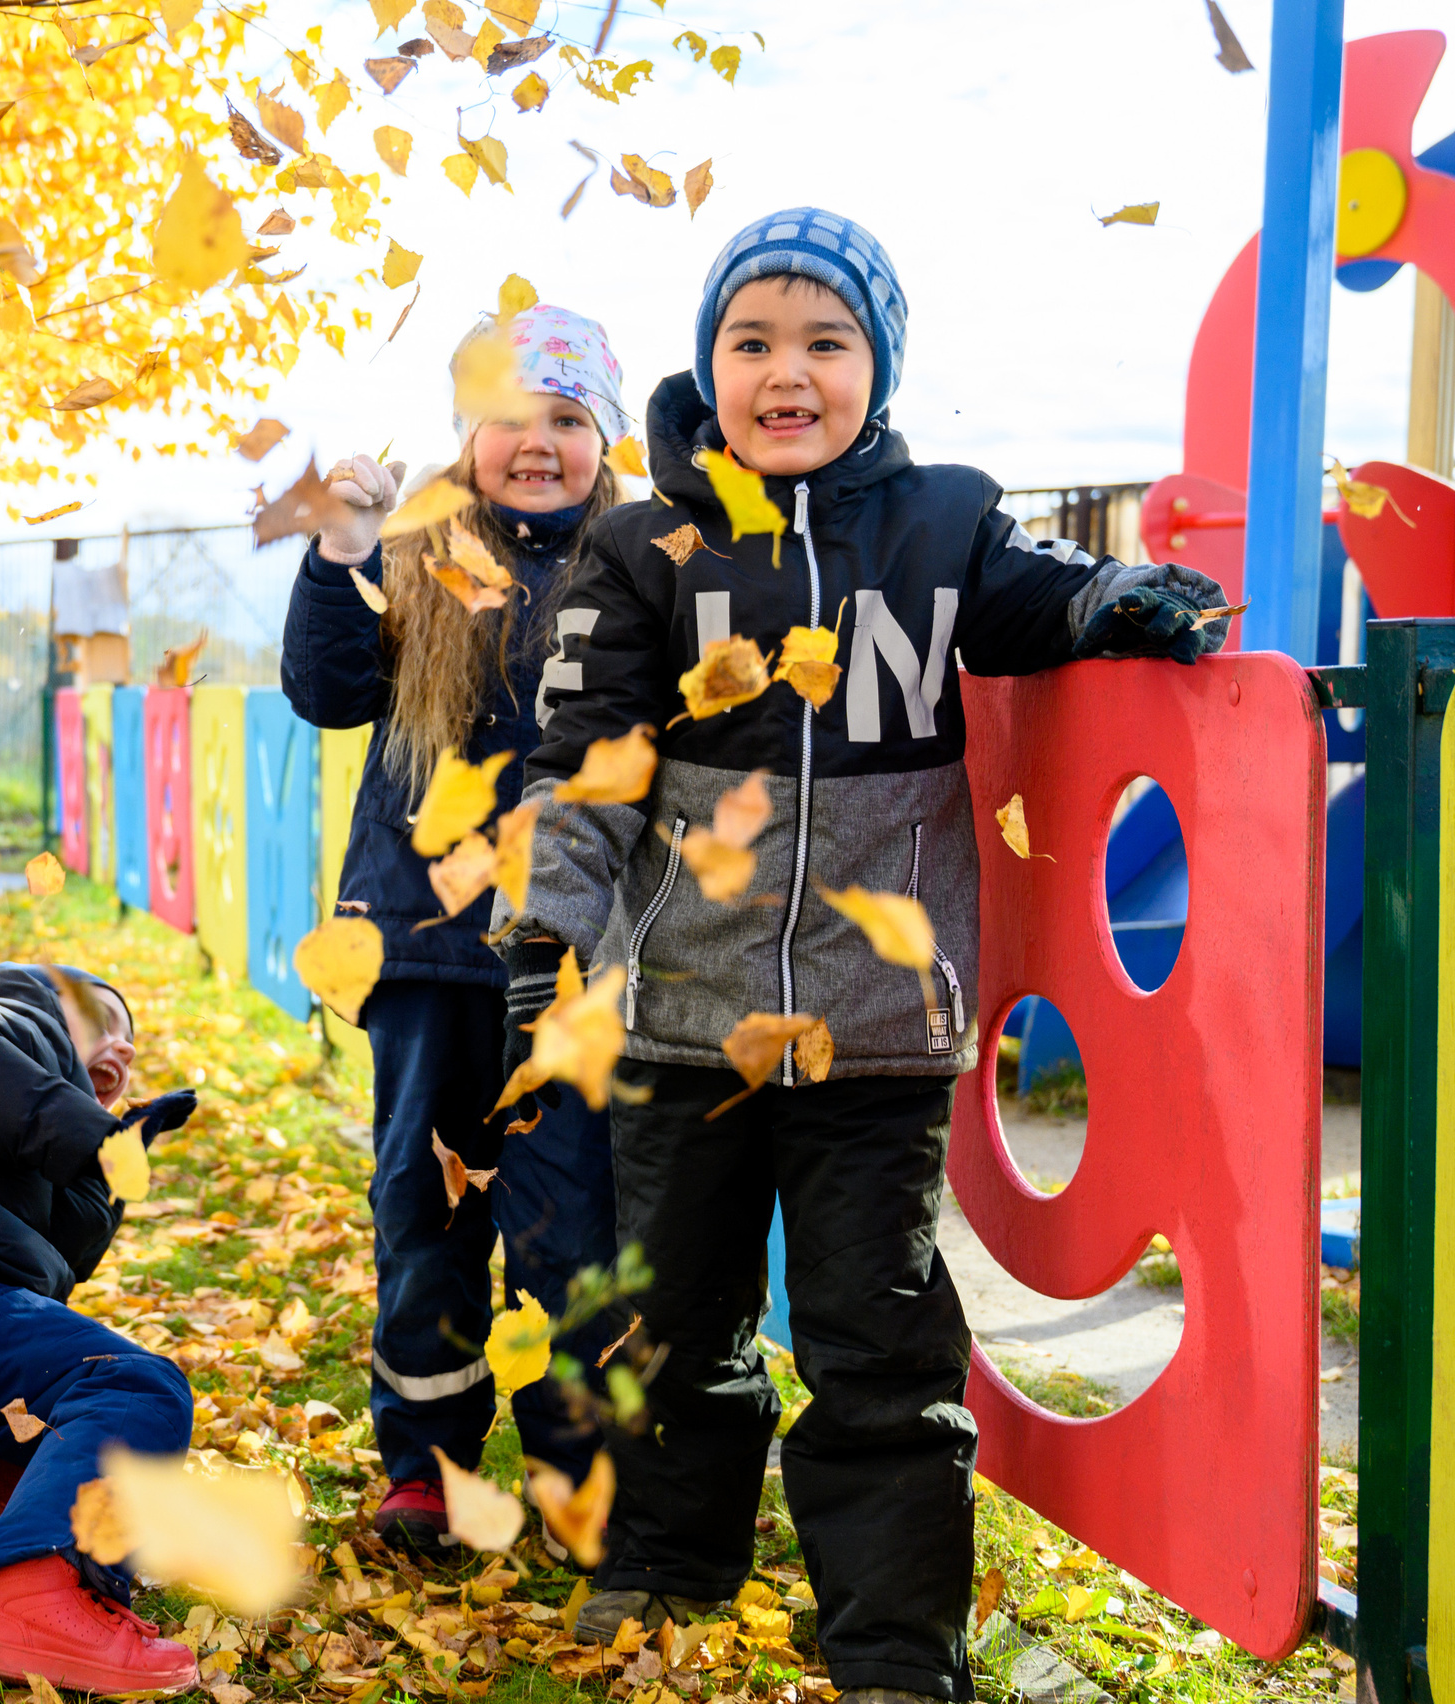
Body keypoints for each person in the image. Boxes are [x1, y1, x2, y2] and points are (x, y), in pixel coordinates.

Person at [504, 208, 1230, 1701]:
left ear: (877, 368)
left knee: (877, 1341)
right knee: (677, 1316)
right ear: (708, 368)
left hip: (874, 1033)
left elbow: (1045, 602)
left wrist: (1116, 605)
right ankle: (670, 1556)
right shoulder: (648, 549)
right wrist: (546, 940)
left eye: (825, 342)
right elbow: (588, 769)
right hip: (685, 1026)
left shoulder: (943, 518)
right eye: (752, 342)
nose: (788, 372)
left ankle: (894, 1646)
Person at [279, 305, 631, 1551]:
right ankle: (423, 1463)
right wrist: (339, 551)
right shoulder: (418, 550)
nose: (535, 443)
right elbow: (326, 692)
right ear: (466, 432)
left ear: (608, 439)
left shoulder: (639, 563)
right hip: (428, 954)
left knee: (570, 1224)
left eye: (568, 421)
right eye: (508, 418)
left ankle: (570, 1469)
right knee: (424, 1214)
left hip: (575, 967)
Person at [0, 963, 201, 1695]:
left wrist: (114, 1164)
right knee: (138, 1387)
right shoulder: (0, 1021)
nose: (123, 1050)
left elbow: (65, 1254)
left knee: (42, 1336)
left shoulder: (39, 1124)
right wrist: (93, 1133)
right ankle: (38, 1595)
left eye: (134, 1041)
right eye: (106, 1024)